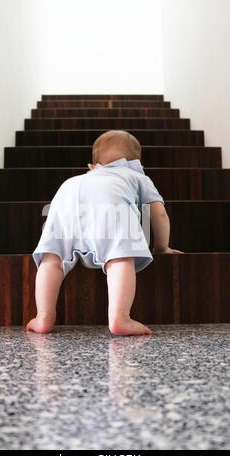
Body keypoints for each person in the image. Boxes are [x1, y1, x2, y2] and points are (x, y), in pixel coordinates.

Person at [27, 130, 183, 336]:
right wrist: (162, 247)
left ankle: (44, 317)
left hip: (66, 195)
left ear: (92, 166)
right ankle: (120, 317)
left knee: (52, 258)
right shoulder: (137, 176)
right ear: (137, 164)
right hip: (110, 206)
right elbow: (159, 214)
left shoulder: (79, 178)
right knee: (119, 258)